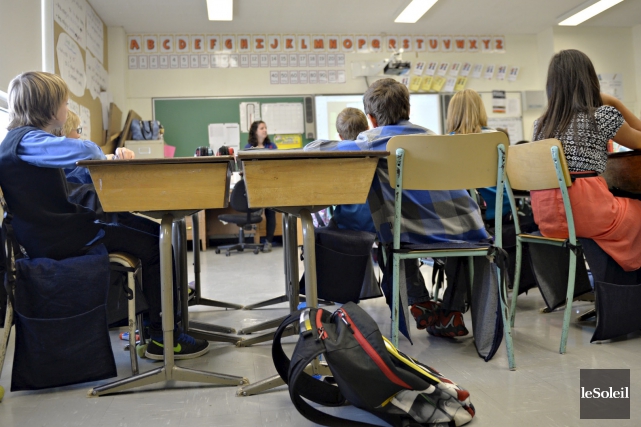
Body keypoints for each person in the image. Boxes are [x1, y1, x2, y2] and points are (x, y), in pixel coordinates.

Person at [0, 71, 209, 360]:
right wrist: (100, 155)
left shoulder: (28, 143)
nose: (68, 107)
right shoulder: (26, 141)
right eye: (64, 101)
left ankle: (155, 327)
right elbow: (83, 150)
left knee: (151, 233)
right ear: (48, 108)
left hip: (63, 232)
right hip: (60, 239)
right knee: (156, 246)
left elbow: (76, 170)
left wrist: (110, 160)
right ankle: (164, 338)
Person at [307, 79, 489, 339]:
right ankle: (451, 311)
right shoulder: (434, 138)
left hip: (409, 235)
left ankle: (419, 300)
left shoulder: (373, 139)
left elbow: (315, 149)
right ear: (409, 110)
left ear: (370, 119)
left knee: (391, 242)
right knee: (459, 243)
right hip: (470, 230)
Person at [531, 49, 641, 272]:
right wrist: (614, 102)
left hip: (548, 216)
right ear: (589, 79)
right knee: (636, 208)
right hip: (586, 211)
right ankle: (625, 287)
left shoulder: (540, 124)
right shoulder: (601, 115)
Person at [446, 89, 511, 223]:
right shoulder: (496, 138)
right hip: (500, 208)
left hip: (462, 212)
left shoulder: (445, 143)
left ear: (451, 114)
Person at [244, 120, 276, 251]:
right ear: (255, 131)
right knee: (256, 209)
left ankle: (268, 241)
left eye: (266, 128)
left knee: (271, 213)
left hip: (270, 184)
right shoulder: (248, 147)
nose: (265, 130)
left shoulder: (271, 146)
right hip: (255, 184)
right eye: (262, 128)